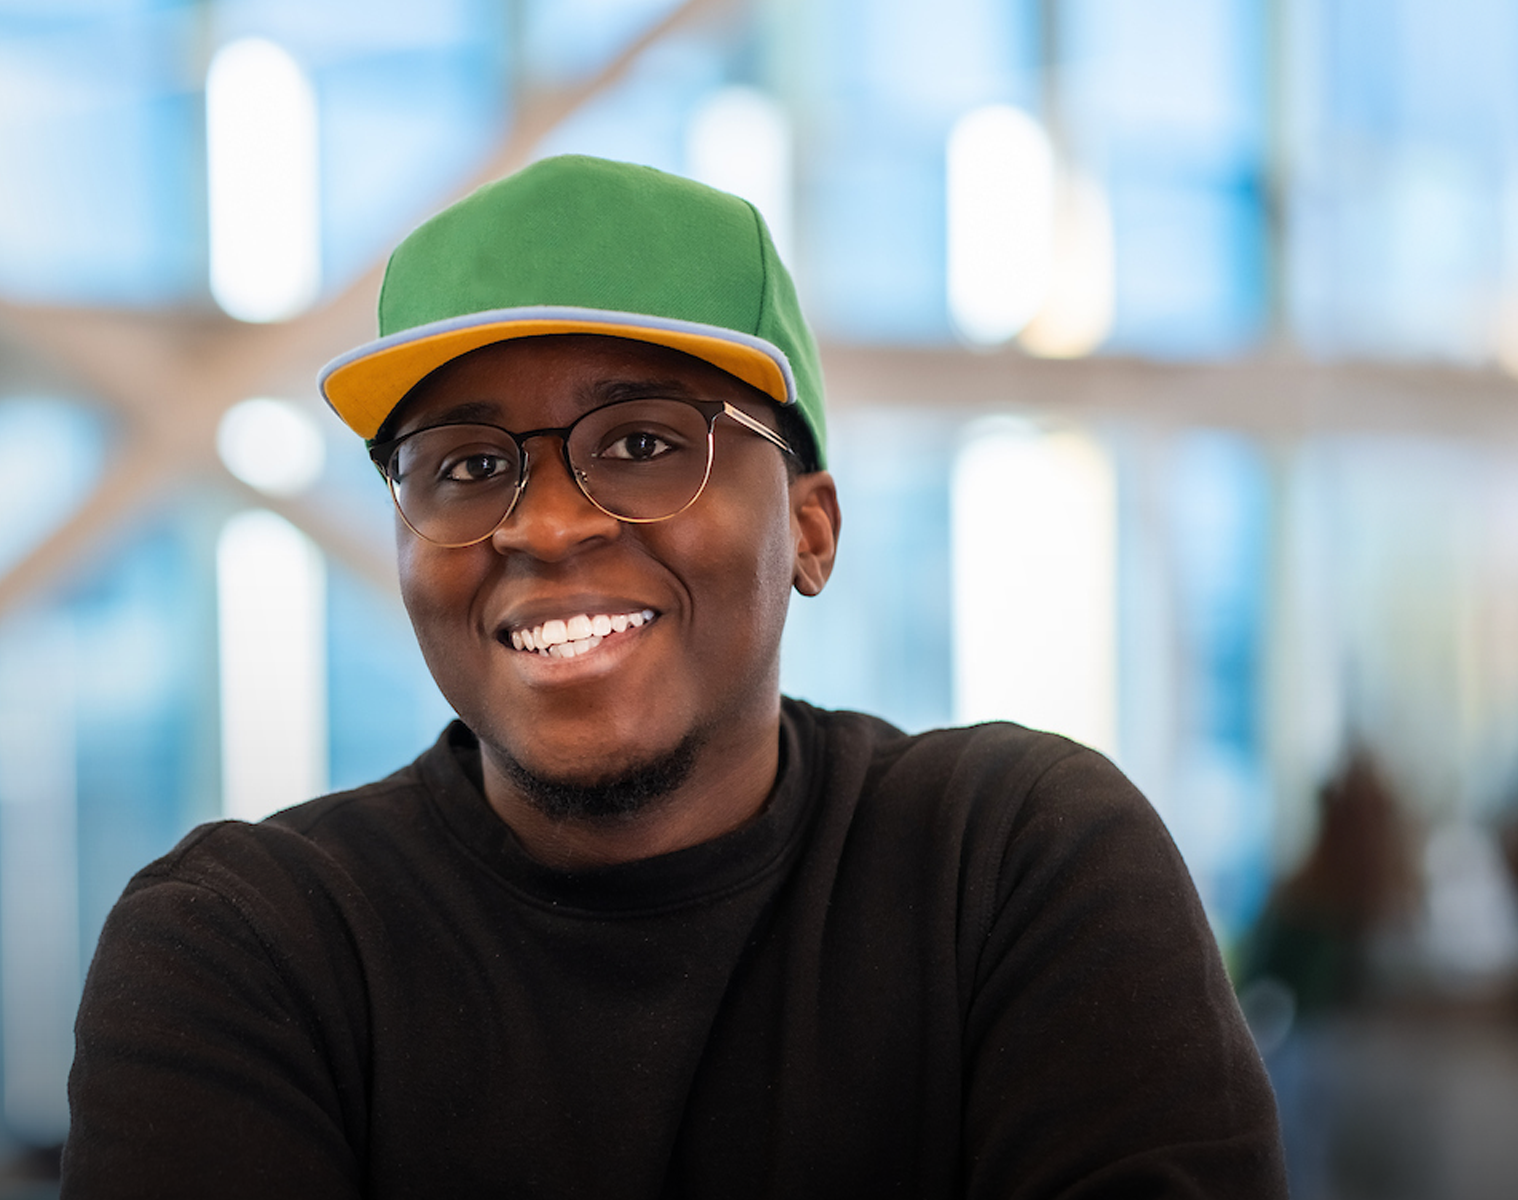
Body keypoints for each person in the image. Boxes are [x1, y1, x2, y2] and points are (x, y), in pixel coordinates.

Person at [65, 155, 1280, 1197]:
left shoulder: (1009, 865)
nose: (544, 527)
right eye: (467, 466)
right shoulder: (252, 948)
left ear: (811, 528)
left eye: (642, 443)